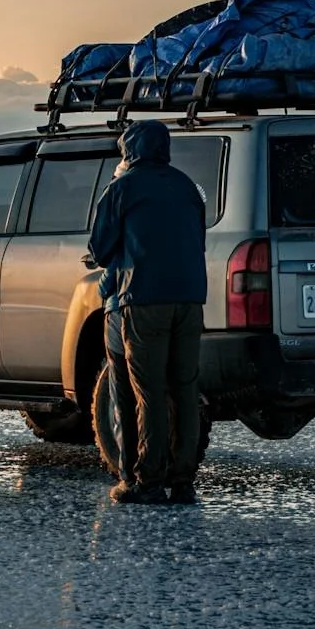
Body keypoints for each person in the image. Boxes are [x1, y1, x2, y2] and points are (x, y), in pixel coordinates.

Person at [86, 119, 208, 504]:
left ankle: (146, 481)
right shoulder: (188, 187)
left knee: (148, 392)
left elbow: (101, 248)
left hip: (143, 300)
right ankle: (183, 480)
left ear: (129, 151)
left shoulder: (123, 187)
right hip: (189, 300)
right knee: (185, 390)